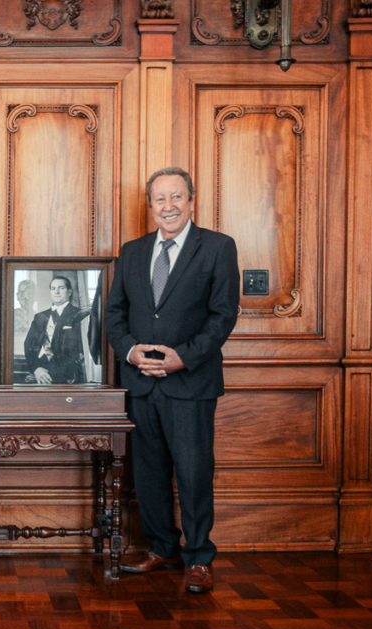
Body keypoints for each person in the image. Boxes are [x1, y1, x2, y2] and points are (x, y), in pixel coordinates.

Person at [105, 167, 239, 593]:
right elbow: (114, 314)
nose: (168, 206)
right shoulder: (132, 251)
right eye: (160, 199)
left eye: (176, 197)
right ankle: (162, 548)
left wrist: (185, 358)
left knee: (195, 473)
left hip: (190, 383)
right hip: (141, 382)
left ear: (192, 201)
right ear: (150, 207)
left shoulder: (218, 247)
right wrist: (131, 351)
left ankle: (199, 558)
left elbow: (223, 315)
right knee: (148, 473)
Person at [23, 276, 86, 384]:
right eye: (53, 288)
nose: (56, 292)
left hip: (67, 377)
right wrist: (36, 369)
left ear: (69, 292)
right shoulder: (40, 317)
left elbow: (80, 350)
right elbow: (28, 345)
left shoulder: (80, 315)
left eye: (61, 288)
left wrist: (53, 372)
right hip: (40, 373)